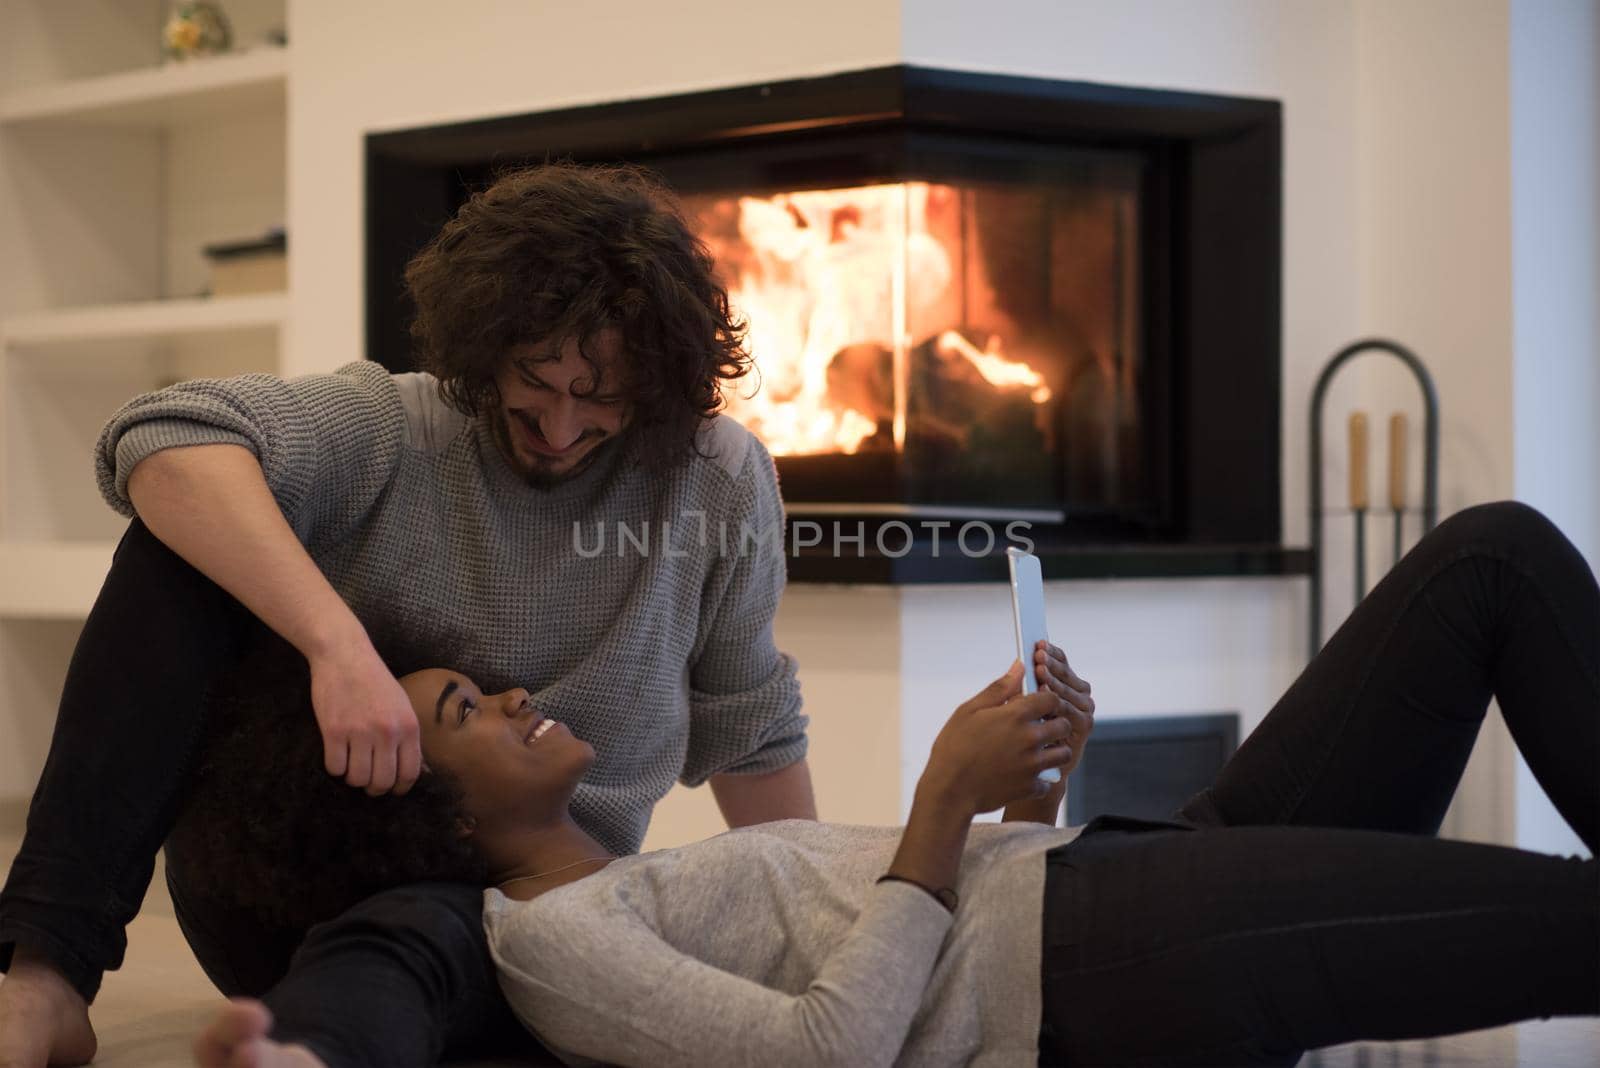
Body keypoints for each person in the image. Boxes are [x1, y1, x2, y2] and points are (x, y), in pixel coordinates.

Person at [195, 501, 1597, 1068]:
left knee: (1490, 558)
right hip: (1117, 961)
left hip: (1116, 878)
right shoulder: (553, 947)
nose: (509, 692)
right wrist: (938, 802)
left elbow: (945, 944)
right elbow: (829, 1056)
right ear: (430, 812)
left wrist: (1030, 787)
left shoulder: (631, 875)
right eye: (464, 711)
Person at [0, 163, 845, 1068]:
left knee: (468, 946)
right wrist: (338, 647)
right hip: (298, 893)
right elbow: (161, 439)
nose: (561, 427)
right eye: (534, 382)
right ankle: (44, 978)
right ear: (483, 351)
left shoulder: (712, 481)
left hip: (525, 915)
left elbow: (749, 725)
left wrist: (817, 928)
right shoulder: (398, 427)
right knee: (179, 538)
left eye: (601, 396)